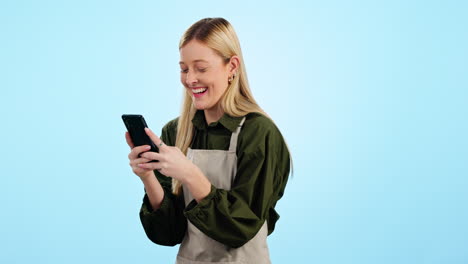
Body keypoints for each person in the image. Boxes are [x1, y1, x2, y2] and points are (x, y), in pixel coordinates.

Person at [125, 17, 291, 264]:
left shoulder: (259, 133)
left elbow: (241, 229)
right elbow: (168, 233)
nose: (190, 79)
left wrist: (190, 174)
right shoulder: (176, 132)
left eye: (201, 68)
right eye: (184, 69)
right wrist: (148, 177)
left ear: (232, 66)